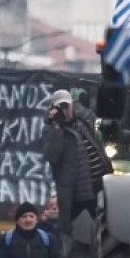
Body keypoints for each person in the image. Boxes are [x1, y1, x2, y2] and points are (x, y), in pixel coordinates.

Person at [40, 90, 111, 237]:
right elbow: (52, 155)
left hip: (102, 182)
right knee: (74, 231)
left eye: (67, 106)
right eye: (61, 108)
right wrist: (56, 126)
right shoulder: (50, 130)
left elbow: (97, 125)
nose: (64, 111)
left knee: (107, 225)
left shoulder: (83, 121)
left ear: (72, 105)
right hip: (78, 191)